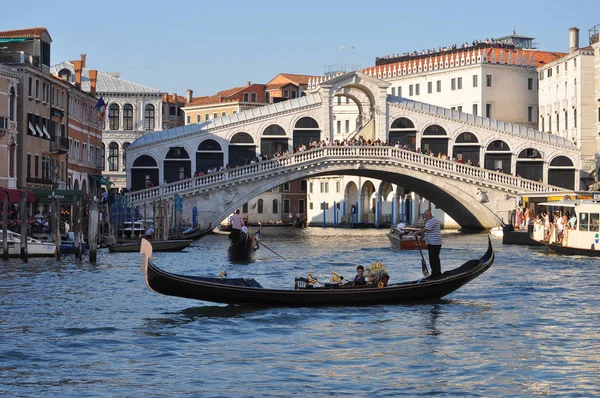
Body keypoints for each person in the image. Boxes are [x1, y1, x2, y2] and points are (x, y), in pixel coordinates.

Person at [415, 209, 443, 278]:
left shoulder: (433, 220)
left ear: (426, 215)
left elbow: (425, 229)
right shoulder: (429, 221)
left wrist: (417, 232)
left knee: (434, 258)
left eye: (425, 215)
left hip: (434, 243)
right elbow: (425, 232)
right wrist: (419, 240)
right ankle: (436, 273)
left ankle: (435, 273)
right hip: (432, 243)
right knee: (434, 258)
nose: (425, 217)